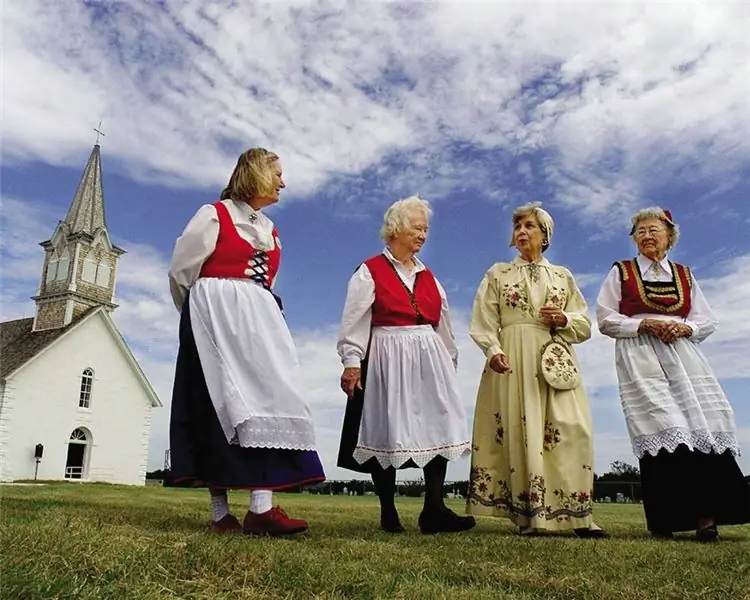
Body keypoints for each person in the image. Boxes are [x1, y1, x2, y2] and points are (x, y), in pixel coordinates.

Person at [167, 147, 325, 536]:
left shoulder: (269, 229)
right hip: (214, 320)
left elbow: (265, 281)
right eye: (277, 173)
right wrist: (200, 315)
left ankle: (261, 507)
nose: (283, 182)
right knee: (214, 403)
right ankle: (221, 513)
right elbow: (181, 271)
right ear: (255, 173)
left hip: (259, 322)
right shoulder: (214, 215)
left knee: (270, 399)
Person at [596, 207, 749, 541]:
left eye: (653, 230)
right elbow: (605, 318)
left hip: (683, 356)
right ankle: (667, 518)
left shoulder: (684, 274)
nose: (647, 236)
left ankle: (707, 519)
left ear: (669, 235)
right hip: (640, 354)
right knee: (662, 425)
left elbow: (707, 319)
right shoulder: (621, 272)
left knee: (701, 424)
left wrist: (684, 327)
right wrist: (643, 323)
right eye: (640, 231)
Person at [466, 202, 607, 538]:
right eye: (518, 227)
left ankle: (577, 514)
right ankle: (531, 514)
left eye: (529, 226)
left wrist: (564, 319)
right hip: (514, 358)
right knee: (522, 432)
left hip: (556, 358)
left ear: (545, 235)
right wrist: (493, 350)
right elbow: (483, 321)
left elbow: (585, 324)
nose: (521, 232)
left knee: (571, 430)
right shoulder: (498, 273)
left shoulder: (563, 276)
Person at [336, 195, 475, 534]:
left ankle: (434, 509)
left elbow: (443, 325)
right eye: (417, 228)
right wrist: (352, 362)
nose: (423, 235)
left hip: (429, 356)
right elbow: (355, 320)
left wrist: (449, 362)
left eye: (426, 229)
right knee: (387, 426)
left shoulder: (430, 277)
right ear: (396, 229)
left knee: (439, 422)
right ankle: (388, 512)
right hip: (387, 354)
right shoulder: (369, 271)